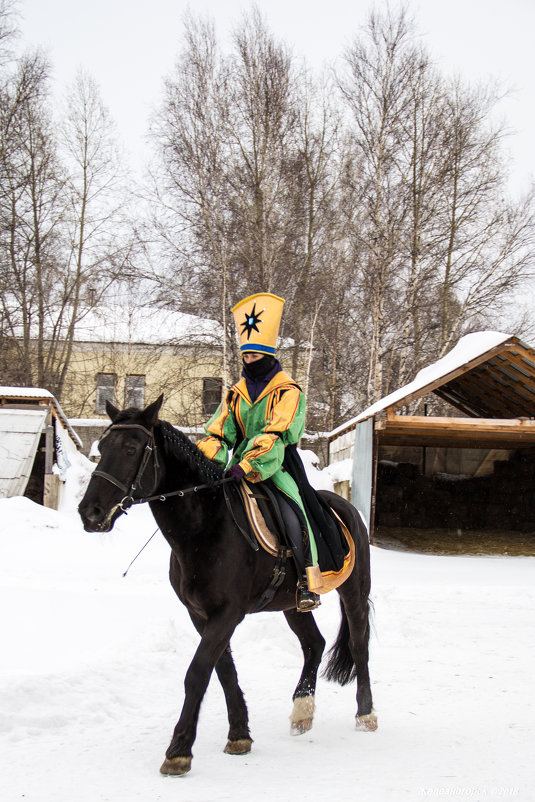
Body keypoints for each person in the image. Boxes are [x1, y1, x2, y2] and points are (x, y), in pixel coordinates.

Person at [197, 292, 326, 612]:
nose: (250, 360)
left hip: (276, 463)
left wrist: (248, 464)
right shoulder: (235, 393)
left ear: (268, 354)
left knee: (292, 510)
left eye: (255, 355)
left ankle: (306, 581)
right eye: (246, 356)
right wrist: (206, 461)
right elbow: (219, 431)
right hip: (236, 465)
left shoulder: (288, 391)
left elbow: (279, 433)